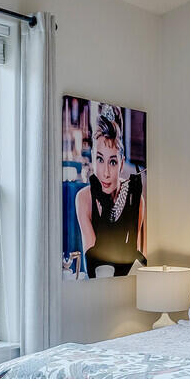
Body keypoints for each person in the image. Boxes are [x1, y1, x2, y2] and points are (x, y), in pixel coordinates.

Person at [74, 104, 145, 277]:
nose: (105, 173)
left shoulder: (136, 199)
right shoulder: (84, 199)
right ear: (92, 158)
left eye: (112, 162)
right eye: (100, 159)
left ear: (121, 163)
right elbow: (94, 268)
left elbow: (138, 265)